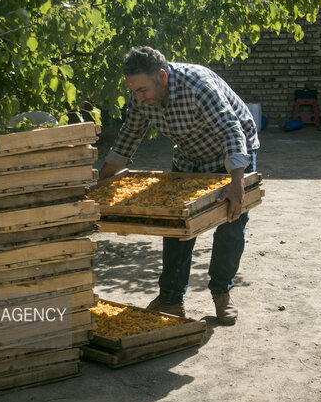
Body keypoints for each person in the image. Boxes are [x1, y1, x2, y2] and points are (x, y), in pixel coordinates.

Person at [99, 46, 260, 325]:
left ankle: (222, 293)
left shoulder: (198, 85)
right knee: (176, 227)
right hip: (190, 157)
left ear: (162, 77)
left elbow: (231, 130)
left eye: (142, 90)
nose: (137, 97)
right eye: (134, 91)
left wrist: (236, 183)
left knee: (231, 224)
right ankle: (171, 300)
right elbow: (128, 136)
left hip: (231, 156)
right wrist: (101, 180)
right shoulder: (140, 96)